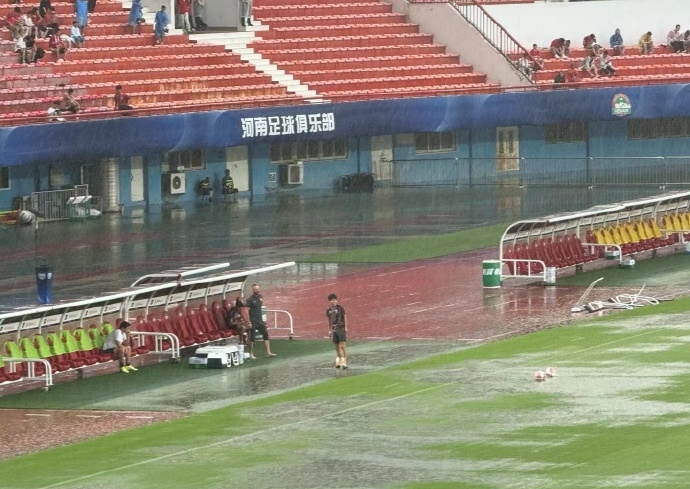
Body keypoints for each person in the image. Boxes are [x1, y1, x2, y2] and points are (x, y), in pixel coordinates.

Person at [245, 283, 277, 359]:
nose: (257, 290)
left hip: (260, 320)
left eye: (258, 289)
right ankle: (251, 354)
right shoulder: (250, 300)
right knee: (252, 337)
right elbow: (246, 311)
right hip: (253, 320)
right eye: (256, 289)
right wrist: (248, 321)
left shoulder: (260, 297)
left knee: (265, 334)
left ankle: (268, 352)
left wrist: (263, 320)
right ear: (253, 290)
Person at [326, 293, 347, 369]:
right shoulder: (328, 310)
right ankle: (339, 361)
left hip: (341, 328)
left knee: (342, 346)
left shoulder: (340, 307)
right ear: (330, 301)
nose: (334, 301)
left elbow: (345, 317)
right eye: (332, 300)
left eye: (335, 300)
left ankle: (344, 361)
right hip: (334, 330)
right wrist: (329, 330)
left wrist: (346, 327)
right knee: (337, 347)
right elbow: (329, 320)